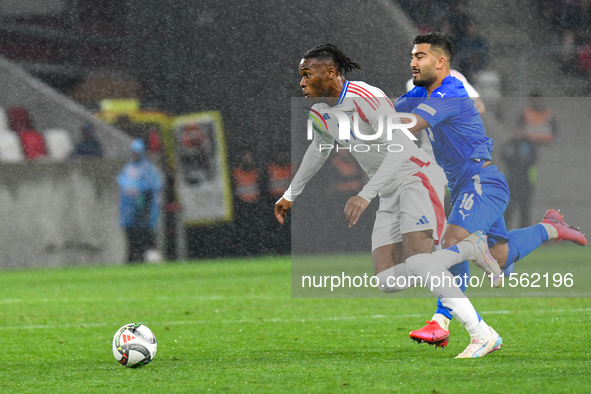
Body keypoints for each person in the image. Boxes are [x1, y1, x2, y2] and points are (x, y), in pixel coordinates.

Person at [275, 43, 507, 358]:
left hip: (416, 177)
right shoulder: (320, 111)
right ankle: (468, 248)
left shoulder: (365, 96)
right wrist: (290, 194)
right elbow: (319, 147)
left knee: (419, 261)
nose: (301, 83)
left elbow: (401, 147)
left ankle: (482, 334)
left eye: (306, 74)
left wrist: (364, 194)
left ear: (330, 72)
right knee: (388, 280)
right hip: (386, 189)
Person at [395, 32, 587, 353]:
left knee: (452, 242)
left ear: (441, 62)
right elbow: (389, 113)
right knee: (501, 256)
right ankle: (550, 227)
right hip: (463, 185)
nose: (413, 62)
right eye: (412, 56)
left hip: (480, 181)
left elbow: (410, 122)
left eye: (420, 56)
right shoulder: (420, 92)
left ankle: (446, 322)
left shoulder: (452, 89)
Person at [117, 139, 163, 263]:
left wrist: (146, 209)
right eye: (133, 152)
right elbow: (123, 183)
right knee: (131, 239)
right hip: (128, 212)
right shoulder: (128, 168)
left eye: (137, 152)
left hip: (143, 211)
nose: (135, 155)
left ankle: (148, 259)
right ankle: (132, 260)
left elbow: (152, 187)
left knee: (147, 238)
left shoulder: (147, 168)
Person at [501, 128, 538, 229]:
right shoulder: (510, 145)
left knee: (525, 211)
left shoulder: (529, 145)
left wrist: (517, 160)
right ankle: (505, 233)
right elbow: (506, 158)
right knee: (508, 211)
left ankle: (523, 234)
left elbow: (531, 160)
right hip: (512, 183)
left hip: (525, 183)